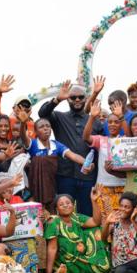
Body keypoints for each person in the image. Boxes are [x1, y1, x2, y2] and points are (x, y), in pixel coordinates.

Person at [38, 78, 105, 216]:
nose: (77, 100)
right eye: (73, 97)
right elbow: (42, 114)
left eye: (80, 97)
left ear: (85, 99)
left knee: (86, 213)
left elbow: (103, 147)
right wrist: (57, 99)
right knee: (64, 214)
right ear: (68, 100)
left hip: (88, 176)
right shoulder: (59, 118)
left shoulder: (95, 121)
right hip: (65, 175)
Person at [27, 118, 92, 212]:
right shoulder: (32, 144)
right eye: (41, 127)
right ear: (36, 131)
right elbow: (24, 138)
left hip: (52, 184)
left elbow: (73, 155)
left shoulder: (56, 145)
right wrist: (23, 123)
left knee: (51, 210)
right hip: (36, 185)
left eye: (48, 126)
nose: (46, 129)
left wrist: (86, 163)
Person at [44, 191, 110, 273]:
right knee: (102, 269)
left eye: (68, 203)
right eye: (61, 204)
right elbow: (52, 248)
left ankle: (98, 261)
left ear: (73, 205)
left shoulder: (75, 217)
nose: (65, 205)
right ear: (57, 209)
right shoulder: (53, 221)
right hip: (67, 260)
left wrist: (94, 201)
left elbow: (95, 222)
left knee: (96, 230)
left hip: (82, 254)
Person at [83, 98, 127, 216]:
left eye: (116, 122)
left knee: (121, 219)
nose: (112, 124)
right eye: (110, 122)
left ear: (121, 124)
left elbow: (132, 137)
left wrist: (121, 116)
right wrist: (92, 117)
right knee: (105, 220)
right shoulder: (101, 140)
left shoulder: (125, 140)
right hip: (103, 186)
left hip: (122, 186)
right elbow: (86, 137)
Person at [100, 192, 137, 273]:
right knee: (120, 272)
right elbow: (103, 239)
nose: (123, 209)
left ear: (134, 209)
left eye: (127, 207)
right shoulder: (115, 221)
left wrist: (133, 220)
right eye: (121, 206)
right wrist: (107, 223)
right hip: (120, 263)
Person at [0, 74, 35, 140]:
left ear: (30, 109)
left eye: (27, 107)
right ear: (13, 108)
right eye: (20, 106)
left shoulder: (35, 126)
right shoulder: (6, 121)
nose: (23, 109)